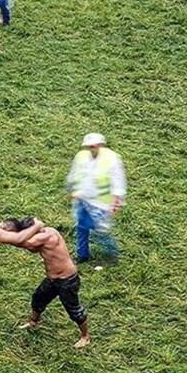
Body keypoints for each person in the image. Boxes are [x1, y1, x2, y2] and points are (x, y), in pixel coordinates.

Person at [18, 226, 91, 348]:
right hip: (53, 279)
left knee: (74, 310)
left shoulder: (45, 239)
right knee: (38, 297)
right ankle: (33, 322)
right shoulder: (49, 231)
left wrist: (3, 237)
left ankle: (86, 337)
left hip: (67, 281)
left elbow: (29, 246)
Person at [65, 133, 126, 266]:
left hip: (101, 203)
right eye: (88, 147)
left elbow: (118, 180)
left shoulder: (112, 159)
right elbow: (75, 173)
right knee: (81, 228)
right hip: (82, 198)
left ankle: (111, 256)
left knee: (99, 231)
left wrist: (117, 200)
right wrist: (71, 188)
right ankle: (82, 255)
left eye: (93, 146)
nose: (91, 149)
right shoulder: (81, 156)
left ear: (101, 145)